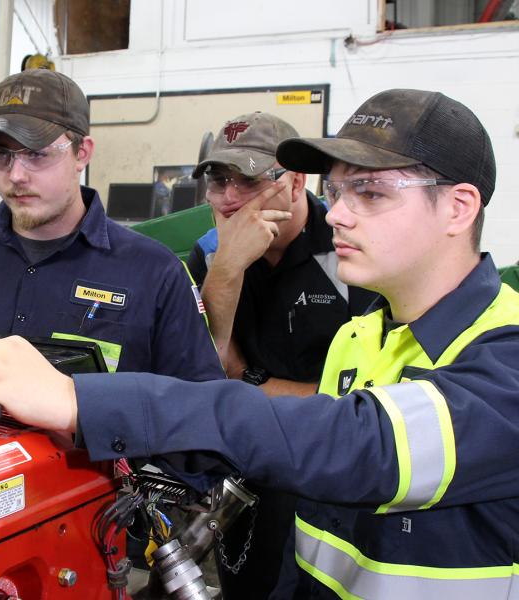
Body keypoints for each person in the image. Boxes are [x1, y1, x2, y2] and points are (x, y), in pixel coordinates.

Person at [0, 88, 519, 599]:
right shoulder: (359, 335)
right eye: (338, 191)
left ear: (458, 207)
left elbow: (346, 441)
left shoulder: (507, 353)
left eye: (368, 193)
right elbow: (315, 530)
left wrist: (83, 400)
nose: (337, 213)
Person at [0, 68, 224, 383]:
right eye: (2, 155)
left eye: (36, 153)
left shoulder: (155, 275)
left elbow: (199, 412)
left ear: (82, 153)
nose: (16, 175)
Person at [187, 112, 377, 598]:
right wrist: (229, 265)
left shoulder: (349, 251)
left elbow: (364, 404)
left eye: (248, 181)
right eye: (218, 181)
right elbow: (203, 370)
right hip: (248, 470)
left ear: (295, 182)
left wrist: (247, 382)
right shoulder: (211, 254)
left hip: (334, 471)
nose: (229, 199)